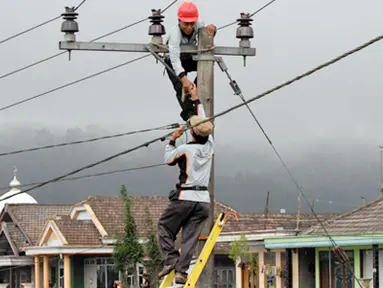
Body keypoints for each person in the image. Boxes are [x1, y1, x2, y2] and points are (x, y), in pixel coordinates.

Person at [157, 84, 214, 285]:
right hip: (203, 202)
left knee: (164, 226)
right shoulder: (210, 146)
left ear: (193, 134)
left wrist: (172, 139)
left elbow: (168, 159)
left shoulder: (185, 150)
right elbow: (203, 118)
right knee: (190, 238)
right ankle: (181, 273)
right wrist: (197, 99)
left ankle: (171, 259)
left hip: (185, 198)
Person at [163, 1, 216, 120]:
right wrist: (184, 78)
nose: (189, 27)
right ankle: (190, 114)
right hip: (173, 60)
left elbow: (208, 31)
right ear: (179, 21)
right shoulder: (175, 34)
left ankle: (196, 92)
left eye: (192, 24)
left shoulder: (199, 25)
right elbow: (175, 59)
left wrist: (213, 28)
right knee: (180, 86)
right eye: (185, 24)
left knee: (207, 65)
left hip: (188, 57)